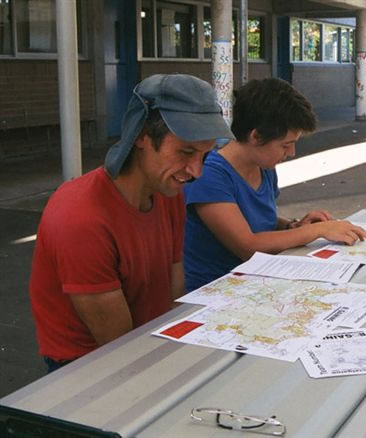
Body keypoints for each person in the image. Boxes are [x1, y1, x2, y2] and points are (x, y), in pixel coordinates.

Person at [29, 74, 234, 372]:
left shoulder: (168, 191)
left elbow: (172, 296)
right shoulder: (81, 217)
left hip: (149, 340)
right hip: (85, 364)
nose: (196, 171)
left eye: (205, 155)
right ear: (141, 136)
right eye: (186, 152)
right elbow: (117, 343)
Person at [183, 78, 366, 291]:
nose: (291, 153)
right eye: (286, 145)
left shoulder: (264, 166)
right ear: (256, 136)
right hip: (219, 290)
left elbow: (262, 220)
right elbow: (247, 245)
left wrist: (293, 225)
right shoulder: (209, 174)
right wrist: (318, 230)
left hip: (261, 278)